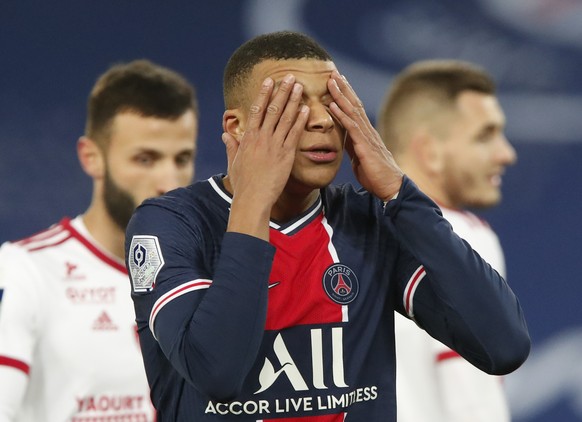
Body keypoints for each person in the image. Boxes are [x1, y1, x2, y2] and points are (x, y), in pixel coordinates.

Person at [125, 31, 530, 421]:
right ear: (237, 127)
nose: (321, 120)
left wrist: (400, 193)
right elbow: (217, 371)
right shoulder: (169, 224)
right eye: (294, 103)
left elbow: (503, 346)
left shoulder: (368, 222)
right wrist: (253, 200)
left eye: (333, 102)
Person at [0, 59, 199, 421]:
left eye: (182, 158)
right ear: (92, 158)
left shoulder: (216, 269)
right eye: (145, 158)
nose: (170, 182)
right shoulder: (25, 270)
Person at [377, 59, 517, 422]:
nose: (506, 154)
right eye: (485, 135)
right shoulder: (462, 236)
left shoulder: (332, 233)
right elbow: (472, 402)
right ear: (430, 151)